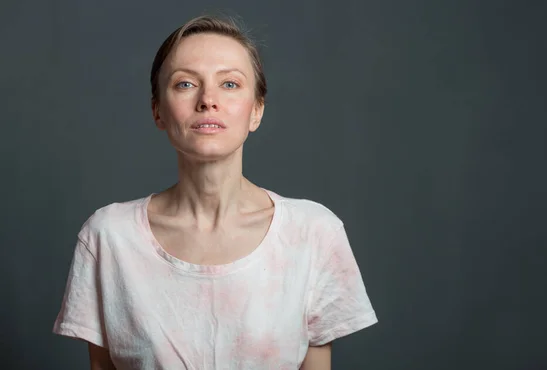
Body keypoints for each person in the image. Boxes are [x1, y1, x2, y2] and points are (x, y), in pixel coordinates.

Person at [53, 15, 377, 370]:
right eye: (186, 84)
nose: (208, 100)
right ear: (157, 111)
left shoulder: (313, 233)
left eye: (230, 84)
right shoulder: (109, 237)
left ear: (256, 111)